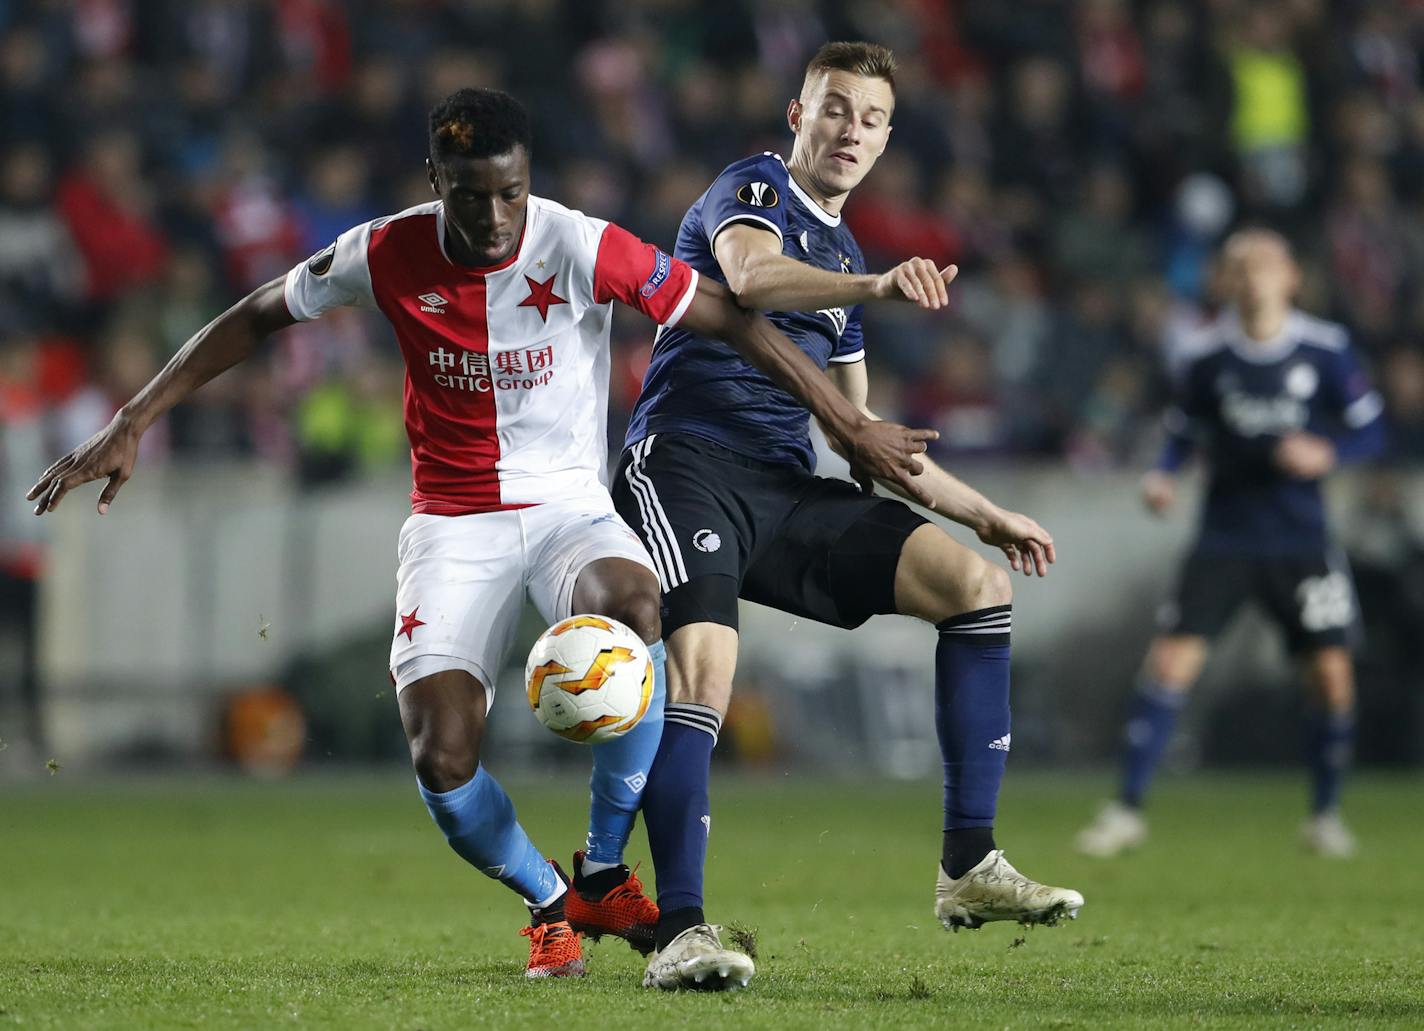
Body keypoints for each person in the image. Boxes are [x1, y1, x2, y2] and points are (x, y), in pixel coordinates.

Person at [26, 87, 933, 979]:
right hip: (454, 524)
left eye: (512, 191)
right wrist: (134, 418)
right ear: (436, 181)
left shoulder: (579, 242)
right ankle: (549, 900)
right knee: (442, 752)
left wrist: (849, 428)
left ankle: (607, 867)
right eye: (473, 195)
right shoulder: (384, 250)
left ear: (528, 178)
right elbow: (261, 311)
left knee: (635, 604)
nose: (498, 216)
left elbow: (731, 321)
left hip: (569, 507)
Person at [610, 42, 1083, 992]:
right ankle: (681, 931)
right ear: (798, 115)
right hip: (687, 463)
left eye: (869, 118)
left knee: (974, 587)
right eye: (834, 109)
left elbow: (871, 442)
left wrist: (986, 514)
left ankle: (968, 866)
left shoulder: (850, 258)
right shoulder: (752, 191)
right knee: (707, 666)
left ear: (886, 140)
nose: (849, 130)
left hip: (784, 490)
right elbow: (748, 282)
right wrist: (872, 288)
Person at [1074, 229, 1387, 860]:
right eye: (1238, 266)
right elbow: (1183, 431)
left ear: (1291, 276)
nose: (1251, 276)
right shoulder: (1206, 356)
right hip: (1225, 537)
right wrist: (1163, 473)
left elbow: (1371, 429)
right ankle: (1126, 810)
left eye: (1264, 264)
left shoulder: (1326, 349)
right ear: (1224, 281)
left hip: (1301, 539)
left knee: (1331, 676)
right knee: (1168, 667)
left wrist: (1328, 451)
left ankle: (1325, 815)